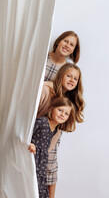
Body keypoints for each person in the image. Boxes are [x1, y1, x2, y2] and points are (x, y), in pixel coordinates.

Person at [38, 63, 84, 197]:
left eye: (75, 79)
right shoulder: (46, 90)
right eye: (69, 76)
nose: (72, 80)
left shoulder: (67, 100)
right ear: (61, 75)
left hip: (50, 142)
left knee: (51, 172)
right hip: (35, 142)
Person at [29, 97, 76, 198]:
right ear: (52, 109)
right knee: (30, 189)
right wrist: (30, 144)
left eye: (66, 113)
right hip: (32, 160)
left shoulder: (55, 130)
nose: (62, 114)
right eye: (60, 110)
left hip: (41, 165)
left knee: (41, 192)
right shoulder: (41, 122)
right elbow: (25, 134)